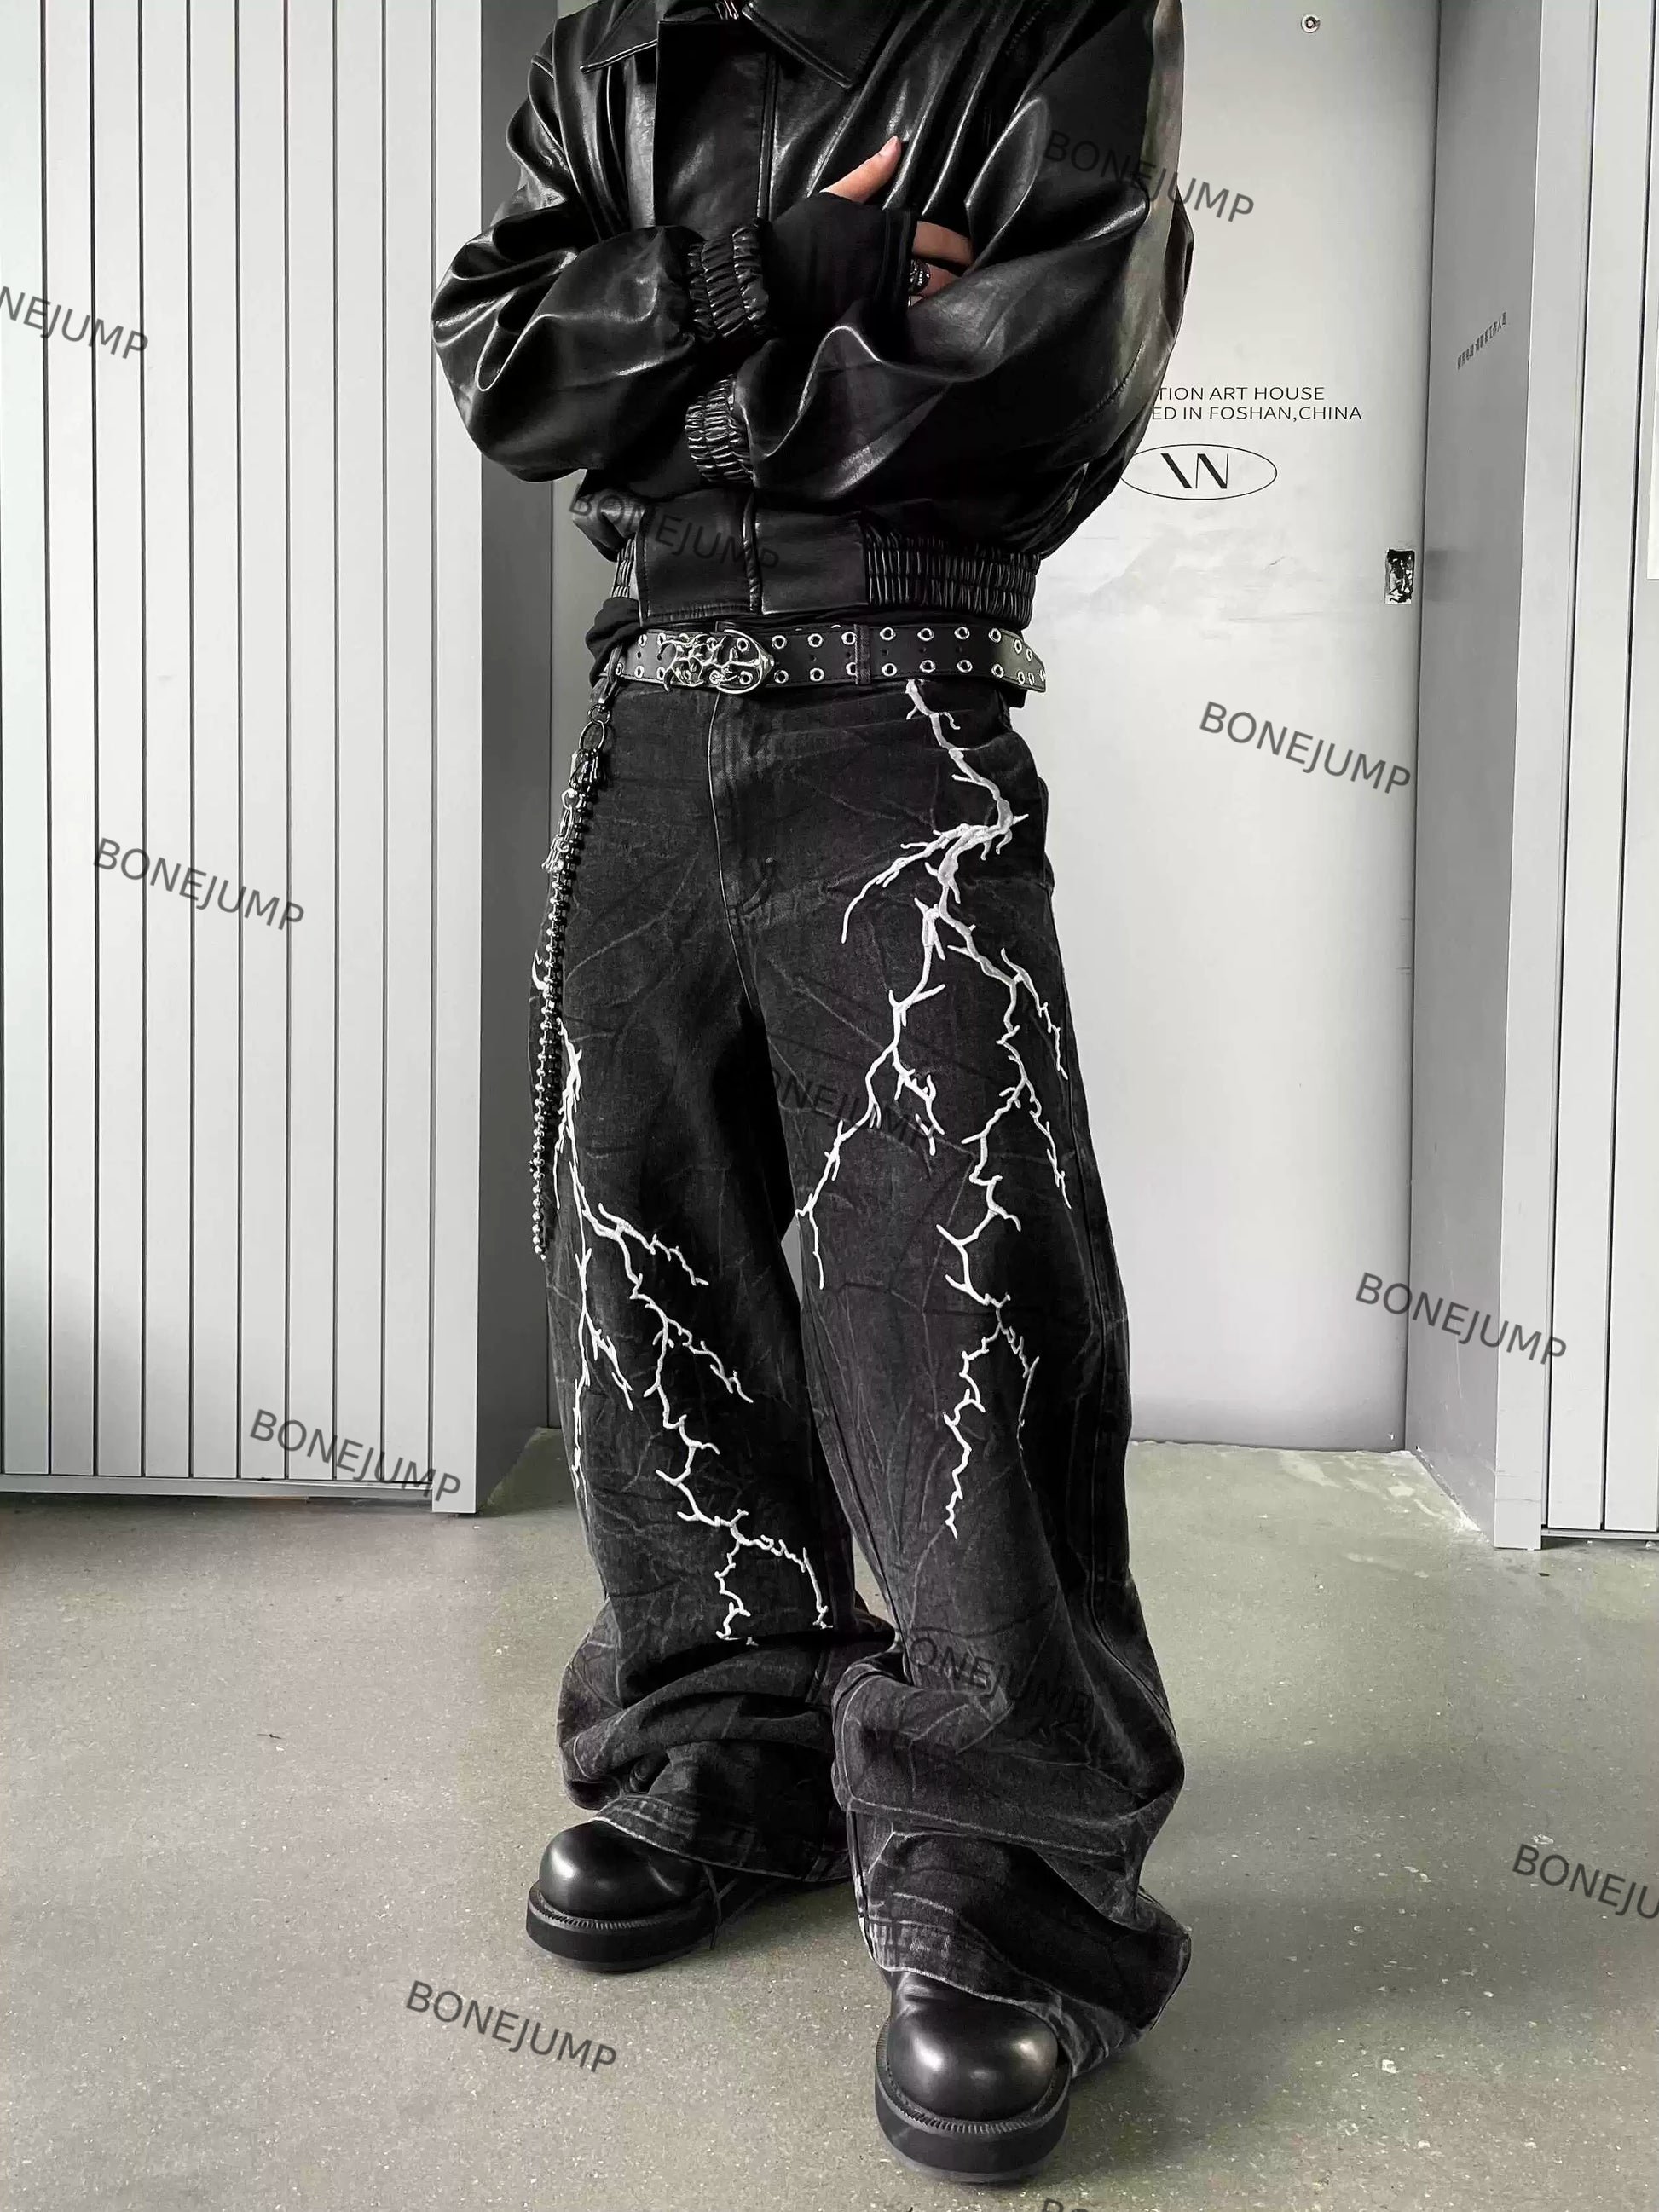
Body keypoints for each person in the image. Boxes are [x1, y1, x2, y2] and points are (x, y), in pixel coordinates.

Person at [431, 0, 1195, 2182]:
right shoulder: (612, 51)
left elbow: (1038, 374)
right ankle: (724, 1749)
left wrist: (665, 393)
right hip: (651, 716)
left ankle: (1006, 1875)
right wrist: (774, 275)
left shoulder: (1053, 21)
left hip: (902, 702)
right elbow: (503, 365)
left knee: (957, 1293)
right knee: (639, 1267)